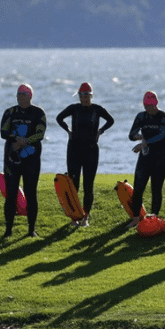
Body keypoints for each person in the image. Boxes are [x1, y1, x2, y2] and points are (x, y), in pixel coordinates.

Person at [55, 82, 114, 226]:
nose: (85, 99)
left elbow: (111, 120)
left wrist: (101, 131)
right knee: (73, 185)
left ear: (91, 96)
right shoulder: (74, 108)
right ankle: (75, 216)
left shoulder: (97, 109)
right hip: (74, 149)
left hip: (91, 150)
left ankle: (85, 217)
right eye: (82, 96)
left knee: (88, 185)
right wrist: (68, 130)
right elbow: (59, 118)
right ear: (79, 96)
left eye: (87, 96)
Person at [0, 83, 47, 239]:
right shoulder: (10, 112)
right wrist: (16, 138)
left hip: (31, 159)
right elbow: (3, 132)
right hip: (12, 159)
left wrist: (24, 141)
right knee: (11, 194)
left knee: (31, 193)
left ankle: (31, 230)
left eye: (24, 94)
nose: (20, 97)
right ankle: (8, 231)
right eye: (18, 94)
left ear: (30, 96)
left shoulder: (38, 113)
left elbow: (40, 134)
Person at [128, 91, 165, 226]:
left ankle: (154, 219)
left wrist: (145, 143)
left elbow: (162, 135)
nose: (149, 109)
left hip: (161, 157)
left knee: (156, 188)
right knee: (138, 187)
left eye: (151, 106)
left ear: (156, 104)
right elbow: (131, 134)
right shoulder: (141, 116)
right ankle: (135, 218)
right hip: (145, 157)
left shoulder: (164, 117)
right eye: (146, 106)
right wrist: (139, 137)